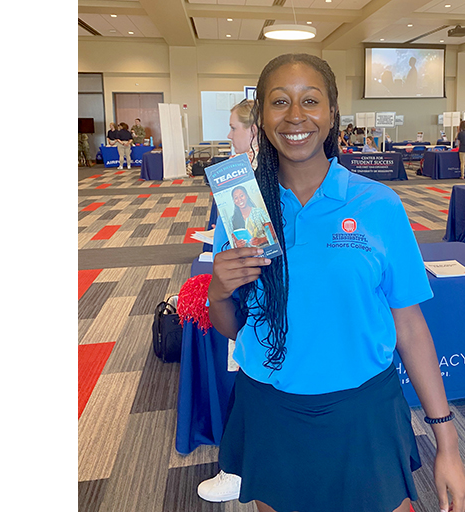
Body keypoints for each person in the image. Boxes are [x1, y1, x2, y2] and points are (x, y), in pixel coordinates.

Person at [208, 52, 465, 512]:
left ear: (332, 115)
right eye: (279, 102)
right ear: (262, 118)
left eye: (310, 101)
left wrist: (447, 441)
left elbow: (410, 328)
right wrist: (218, 289)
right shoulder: (243, 208)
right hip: (271, 410)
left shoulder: (378, 205)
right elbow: (234, 326)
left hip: (363, 411)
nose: (295, 116)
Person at [197, 97, 261, 503]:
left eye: (235, 126)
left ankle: (237, 470)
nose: (228, 133)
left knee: (252, 380)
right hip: (238, 288)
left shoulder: (250, 181)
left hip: (252, 296)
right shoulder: (237, 178)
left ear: (253, 131)